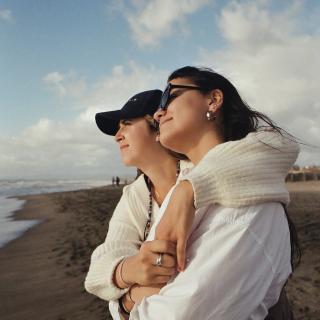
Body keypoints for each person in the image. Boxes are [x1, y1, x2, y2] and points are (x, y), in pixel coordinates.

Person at [85, 87, 299, 319]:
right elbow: (99, 267)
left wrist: (189, 189)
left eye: (126, 124)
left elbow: (277, 146)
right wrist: (127, 272)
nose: (117, 136)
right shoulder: (135, 195)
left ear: (157, 126)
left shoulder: (211, 166)